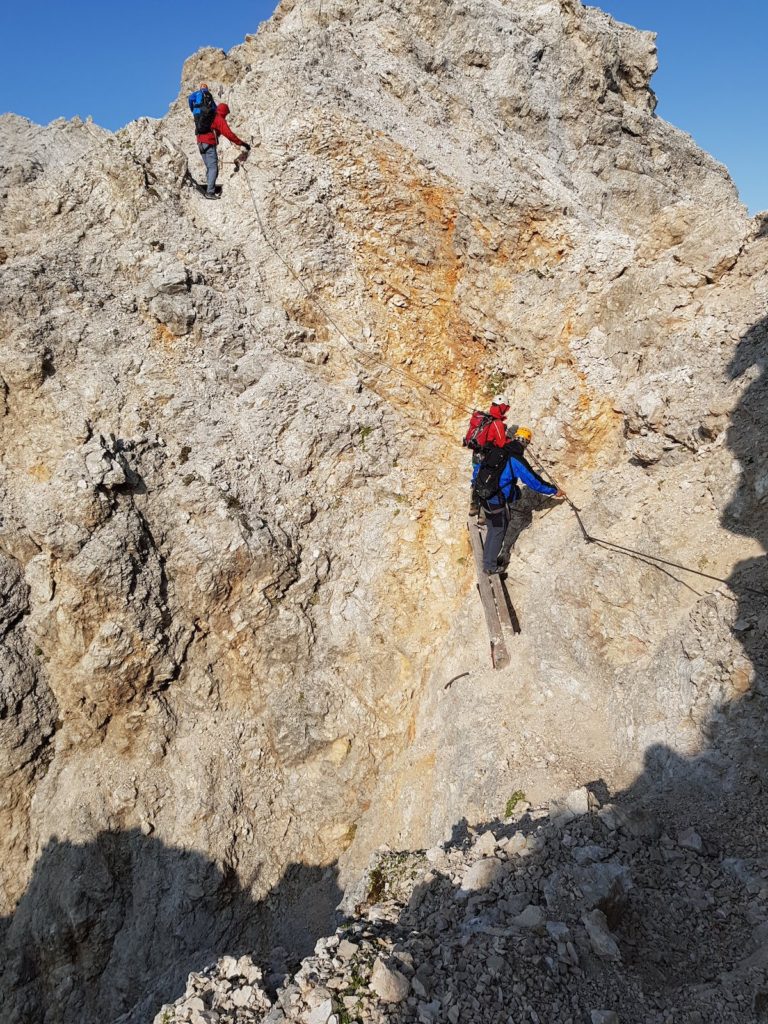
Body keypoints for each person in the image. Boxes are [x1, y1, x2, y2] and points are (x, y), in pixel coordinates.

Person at [472, 426, 566, 575]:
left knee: (492, 528)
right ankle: (490, 566)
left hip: (482, 495)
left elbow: (479, 467)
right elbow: (534, 482)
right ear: (526, 443)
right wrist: (554, 490)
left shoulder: (497, 450)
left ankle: (487, 560)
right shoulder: (516, 460)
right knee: (498, 531)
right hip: (496, 499)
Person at [195, 89, 250, 200]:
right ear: (224, 112)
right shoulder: (219, 119)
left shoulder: (210, 115)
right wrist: (242, 143)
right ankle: (210, 192)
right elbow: (229, 134)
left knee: (209, 167)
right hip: (209, 143)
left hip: (200, 143)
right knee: (213, 168)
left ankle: (208, 190)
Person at [467, 395, 511, 516]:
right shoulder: (497, 423)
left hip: (476, 453)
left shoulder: (486, 419)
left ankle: (474, 505)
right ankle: (482, 512)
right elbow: (501, 443)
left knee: (477, 478)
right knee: (486, 481)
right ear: (502, 407)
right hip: (486, 455)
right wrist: (510, 441)